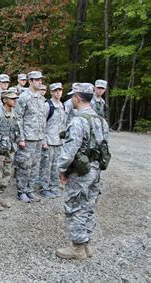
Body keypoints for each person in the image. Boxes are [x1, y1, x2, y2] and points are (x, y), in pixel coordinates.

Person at [56, 83, 109, 260]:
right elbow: (105, 148)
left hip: (80, 172)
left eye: (73, 96)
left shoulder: (78, 120)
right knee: (89, 206)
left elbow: (70, 151)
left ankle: (78, 248)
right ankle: (86, 244)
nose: (72, 99)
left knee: (74, 206)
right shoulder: (101, 120)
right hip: (95, 170)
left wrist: (62, 170)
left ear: (78, 98)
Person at [14, 71, 46, 203]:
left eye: (40, 80)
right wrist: (20, 137)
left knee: (34, 166)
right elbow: (18, 118)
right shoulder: (24, 97)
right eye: (37, 80)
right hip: (27, 137)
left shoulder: (41, 98)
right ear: (30, 81)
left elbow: (43, 119)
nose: (40, 82)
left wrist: (43, 138)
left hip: (38, 137)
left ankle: (30, 190)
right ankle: (21, 191)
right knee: (24, 166)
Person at [0, 88, 20, 211]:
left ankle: (0, 194)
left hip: (10, 148)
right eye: (12, 98)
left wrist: (17, 143)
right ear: (4, 100)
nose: (15, 101)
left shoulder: (14, 114)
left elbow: (17, 130)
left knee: (7, 172)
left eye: (15, 98)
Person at [38, 83, 66, 198]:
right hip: (49, 141)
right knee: (46, 166)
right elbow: (41, 124)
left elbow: (63, 124)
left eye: (60, 90)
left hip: (58, 142)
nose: (58, 92)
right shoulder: (47, 105)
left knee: (56, 166)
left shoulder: (62, 105)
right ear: (51, 92)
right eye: (55, 90)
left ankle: (54, 187)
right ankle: (44, 188)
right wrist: (43, 140)